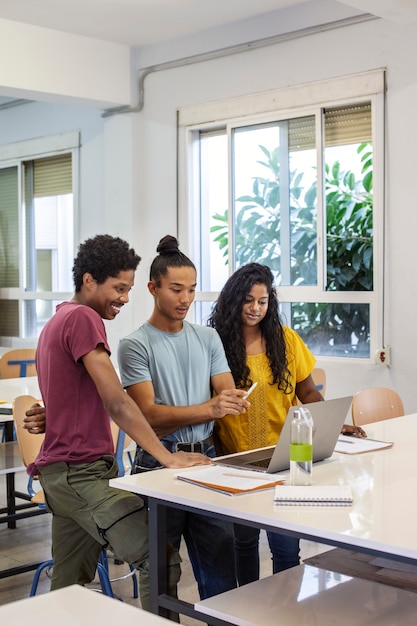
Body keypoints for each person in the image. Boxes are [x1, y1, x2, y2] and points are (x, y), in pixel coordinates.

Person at [24, 234, 210, 614]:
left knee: (67, 586)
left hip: (64, 475)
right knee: (159, 559)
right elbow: (117, 401)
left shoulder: (57, 319)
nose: (125, 298)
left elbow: (74, 392)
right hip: (82, 476)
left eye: (127, 289)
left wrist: (54, 413)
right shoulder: (84, 318)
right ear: (89, 280)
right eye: (119, 288)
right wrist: (167, 457)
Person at [208, 262, 366, 585]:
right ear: (234, 299)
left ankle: (284, 614)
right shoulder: (215, 343)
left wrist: (334, 424)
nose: (255, 308)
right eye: (248, 300)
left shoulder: (286, 340)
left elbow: (307, 392)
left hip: (288, 458)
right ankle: (247, 609)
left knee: (285, 546)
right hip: (237, 461)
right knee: (244, 541)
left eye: (262, 301)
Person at [117, 235, 250, 600]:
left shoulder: (207, 338)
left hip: (207, 457)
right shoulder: (135, 344)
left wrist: (224, 402)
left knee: (222, 574)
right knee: (161, 576)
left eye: (191, 290)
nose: (186, 299)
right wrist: (208, 408)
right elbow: (149, 419)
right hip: (158, 460)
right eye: (176, 289)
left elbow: (226, 392)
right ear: (152, 288)